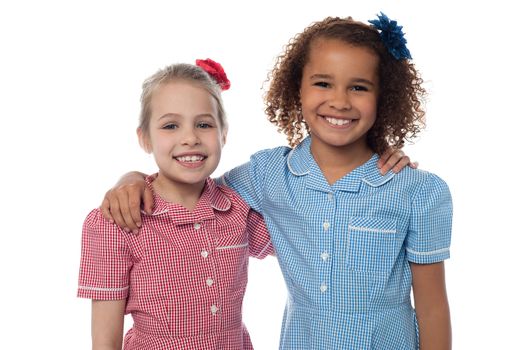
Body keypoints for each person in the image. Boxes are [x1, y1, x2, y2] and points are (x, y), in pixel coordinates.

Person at [102, 13, 452, 349]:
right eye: (323, 83)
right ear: (296, 88)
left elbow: (433, 307)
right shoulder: (268, 174)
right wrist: (132, 178)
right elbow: (194, 186)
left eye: (359, 87)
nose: (339, 101)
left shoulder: (418, 191)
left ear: (384, 97)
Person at [77, 59, 274, 349]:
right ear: (145, 139)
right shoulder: (115, 221)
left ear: (224, 134)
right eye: (171, 125)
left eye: (204, 124)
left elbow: (298, 246)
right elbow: (105, 342)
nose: (190, 138)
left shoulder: (239, 210)